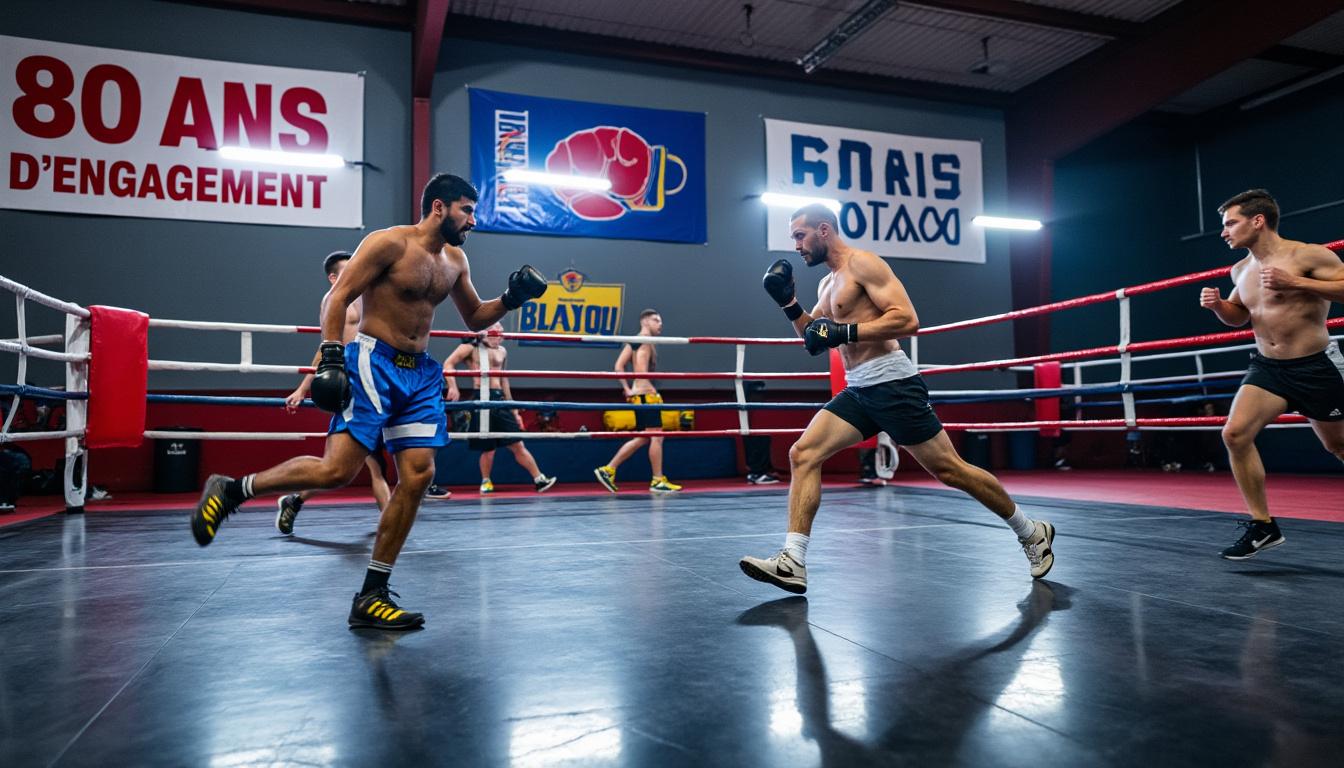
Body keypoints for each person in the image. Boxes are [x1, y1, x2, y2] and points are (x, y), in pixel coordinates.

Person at [189, 173, 548, 630]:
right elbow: (339, 296)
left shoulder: (456, 260)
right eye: (466, 210)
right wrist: (332, 358)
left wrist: (511, 298)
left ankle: (372, 594)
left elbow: (475, 315)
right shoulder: (389, 244)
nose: (472, 220)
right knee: (337, 471)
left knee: (419, 474)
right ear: (438, 207)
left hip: (419, 374)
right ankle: (232, 489)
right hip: (372, 361)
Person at [738, 204, 1055, 594]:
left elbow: (907, 320)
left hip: (893, 384)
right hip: (858, 390)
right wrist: (788, 303)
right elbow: (814, 340)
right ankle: (793, 561)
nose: (796, 246)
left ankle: (1031, 531)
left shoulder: (865, 265)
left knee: (950, 471)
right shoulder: (826, 284)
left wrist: (846, 332)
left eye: (800, 236)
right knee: (803, 454)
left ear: (824, 230)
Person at [1199, 189, 1344, 560]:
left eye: (1230, 223)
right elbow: (1241, 315)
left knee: (1337, 446)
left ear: (1257, 220)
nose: (1224, 232)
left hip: (1315, 365)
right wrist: (1219, 307)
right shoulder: (1240, 269)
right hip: (1268, 368)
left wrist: (1298, 283)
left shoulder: (1307, 254)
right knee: (1234, 433)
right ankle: (1263, 526)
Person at [277, 251, 399, 533]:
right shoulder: (335, 302)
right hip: (352, 387)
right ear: (333, 277)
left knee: (364, 464)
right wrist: (302, 388)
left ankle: (295, 501)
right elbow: (325, 349)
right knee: (351, 465)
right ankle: (389, 523)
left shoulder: (368, 297)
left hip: (377, 382)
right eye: (348, 268)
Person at [443, 322, 557, 494]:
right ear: (486, 332)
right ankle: (486, 481)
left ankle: (539, 479)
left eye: (501, 334)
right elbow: (448, 364)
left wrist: (514, 410)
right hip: (482, 397)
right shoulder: (470, 347)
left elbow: (504, 380)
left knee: (517, 443)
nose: (499, 337)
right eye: (496, 333)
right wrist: (453, 386)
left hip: (500, 400)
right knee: (488, 448)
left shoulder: (502, 351)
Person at [592, 309, 682, 494]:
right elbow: (628, 368)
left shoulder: (638, 341)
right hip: (646, 395)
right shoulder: (643, 340)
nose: (660, 324)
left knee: (643, 437)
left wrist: (627, 389)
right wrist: (635, 388)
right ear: (645, 322)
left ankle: (608, 469)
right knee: (657, 436)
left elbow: (619, 365)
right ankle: (657, 480)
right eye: (656, 320)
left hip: (640, 395)